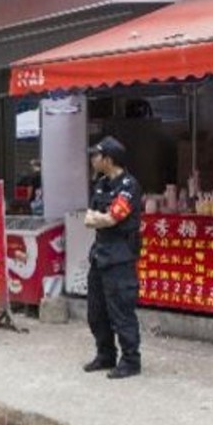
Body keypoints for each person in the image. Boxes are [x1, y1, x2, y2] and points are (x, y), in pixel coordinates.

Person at [83, 136, 143, 380]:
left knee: (121, 311)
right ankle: (105, 354)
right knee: (96, 311)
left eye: (95, 156)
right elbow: (89, 218)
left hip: (120, 257)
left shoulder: (129, 185)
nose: (92, 160)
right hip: (99, 255)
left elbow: (111, 219)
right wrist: (102, 218)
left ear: (108, 159)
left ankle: (130, 360)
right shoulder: (100, 185)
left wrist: (102, 219)